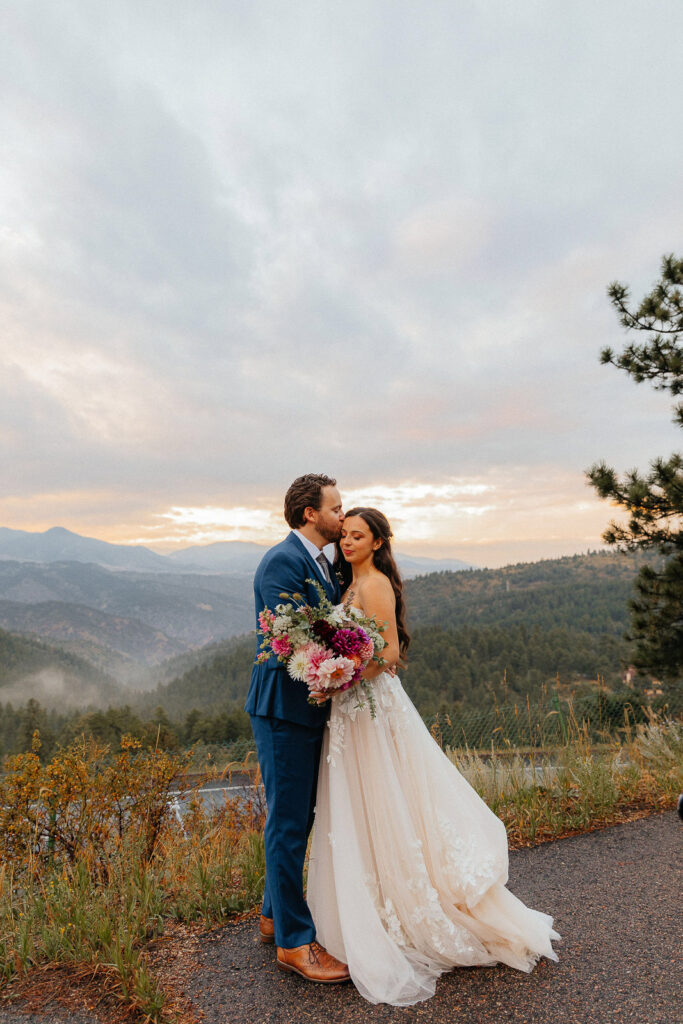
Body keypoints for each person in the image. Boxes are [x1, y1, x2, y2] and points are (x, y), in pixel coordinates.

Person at [307, 507, 561, 1005]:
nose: (349, 542)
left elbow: (389, 655)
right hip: (351, 709)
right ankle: (370, 904)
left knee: (389, 796)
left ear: (378, 542)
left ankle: (410, 910)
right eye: (345, 536)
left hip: (370, 706)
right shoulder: (349, 583)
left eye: (359, 536)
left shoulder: (375, 583)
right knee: (363, 803)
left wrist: (340, 675)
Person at [244, 473, 351, 983]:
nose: (342, 515)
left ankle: (272, 915)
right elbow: (292, 637)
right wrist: (351, 658)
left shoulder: (325, 564)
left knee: (298, 818)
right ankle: (294, 943)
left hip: (308, 707)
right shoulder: (281, 561)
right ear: (310, 512)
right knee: (287, 824)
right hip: (284, 708)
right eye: (335, 507)